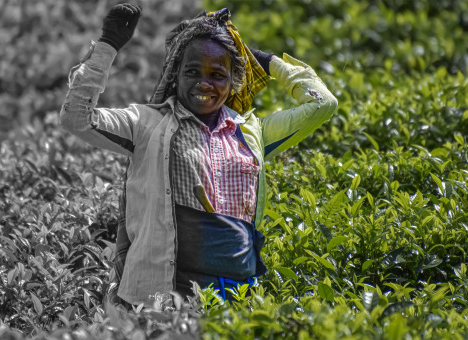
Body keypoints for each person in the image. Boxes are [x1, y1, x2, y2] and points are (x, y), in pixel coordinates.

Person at [60, 3, 337, 307]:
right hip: (164, 298)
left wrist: (268, 62)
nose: (204, 83)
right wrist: (108, 45)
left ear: (233, 82)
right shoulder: (147, 124)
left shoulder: (250, 132)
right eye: (192, 71)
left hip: (238, 296)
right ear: (175, 74)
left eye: (218, 74)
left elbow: (323, 105)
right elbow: (77, 118)